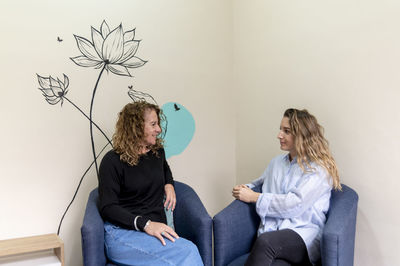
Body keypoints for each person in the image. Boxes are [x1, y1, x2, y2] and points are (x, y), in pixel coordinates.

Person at [98, 101, 203, 266]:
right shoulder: (112, 161)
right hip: (123, 234)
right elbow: (107, 207)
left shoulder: (157, 152)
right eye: (153, 124)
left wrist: (169, 184)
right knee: (188, 252)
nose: (159, 129)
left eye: (158, 124)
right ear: (136, 127)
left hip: (154, 232)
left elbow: (165, 169)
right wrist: (145, 224)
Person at [232, 108, 341, 266]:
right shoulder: (276, 163)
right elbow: (259, 183)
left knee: (265, 243)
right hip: (276, 234)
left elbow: (295, 204)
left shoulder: (318, 170)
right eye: (280, 129)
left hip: (302, 233)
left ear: (302, 135)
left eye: (286, 131)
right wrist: (245, 188)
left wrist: (253, 196)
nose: (279, 135)